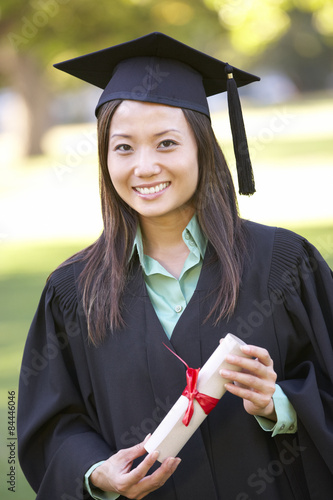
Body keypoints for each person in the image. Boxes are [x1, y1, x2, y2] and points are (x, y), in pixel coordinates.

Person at [18, 32, 333, 500]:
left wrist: (280, 402)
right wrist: (96, 473)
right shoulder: (73, 292)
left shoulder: (284, 264)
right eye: (123, 147)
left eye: (166, 143)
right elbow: (52, 425)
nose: (144, 166)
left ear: (202, 148)